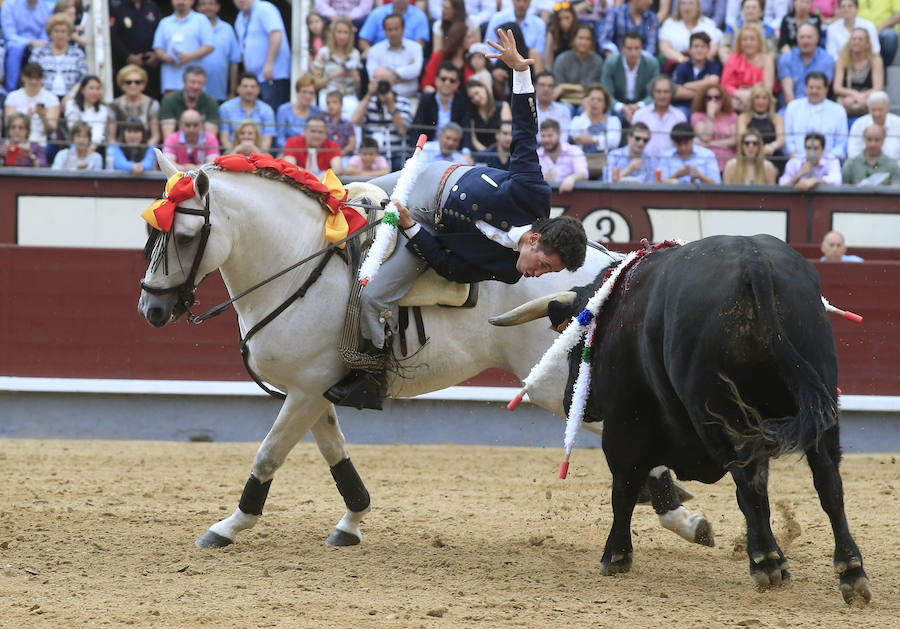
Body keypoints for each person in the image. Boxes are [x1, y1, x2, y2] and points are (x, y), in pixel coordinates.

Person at [324, 28, 588, 411]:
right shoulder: (532, 192)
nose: (537, 275)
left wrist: (411, 226)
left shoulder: (509, 269)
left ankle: (369, 376)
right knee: (346, 193)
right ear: (534, 240)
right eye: (544, 265)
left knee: (373, 296)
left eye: (548, 273)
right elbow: (525, 133)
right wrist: (520, 73)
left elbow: (448, 265)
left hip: (426, 228)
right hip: (430, 179)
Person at [351, 67, 413, 171]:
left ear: (392, 82)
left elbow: (402, 130)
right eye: (377, 82)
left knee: (403, 166)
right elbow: (355, 120)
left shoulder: (403, 103)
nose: (381, 86)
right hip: (371, 156)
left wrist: (391, 105)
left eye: (384, 82)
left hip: (396, 153)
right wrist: (369, 94)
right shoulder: (368, 102)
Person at [234, 0, 292, 111]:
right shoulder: (239, 18)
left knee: (271, 112)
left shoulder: (265, 9)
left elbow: (276, 34)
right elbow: (244, 48)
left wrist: (269, 64)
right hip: (254, 79)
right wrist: (248, 74)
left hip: (272, 76)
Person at [152, 0, 215, 96]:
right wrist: (167, 58)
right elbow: (157, 48)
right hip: (171, 81)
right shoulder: (164, 22)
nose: (180, 1)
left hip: (195, 82)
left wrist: (189, 57)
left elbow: (209, 46)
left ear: (192, 1)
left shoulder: (201, 20)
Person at [784, 72, 848, 159]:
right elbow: (787, 139)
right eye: (811, 87)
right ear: (806, 88)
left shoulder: (838, 110)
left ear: (826, 89)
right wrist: (796, 157)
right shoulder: (793, 107)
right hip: (797, 160)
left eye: (818, 88)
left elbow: (842, 143)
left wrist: (826, 159)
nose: (814, 91)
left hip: (829, 161)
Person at [601, 30, 660, 124]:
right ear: (622, 49)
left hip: (643, 107)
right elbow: (606, 93)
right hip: (617, 106)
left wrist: (639, 106)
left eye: (637, 48)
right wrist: (622, 108)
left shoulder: (652, 64)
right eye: (629, 48)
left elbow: (654, 94)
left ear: (642, 48)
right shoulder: (610, 63)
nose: (633, 53)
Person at [30, 14, 88, 106]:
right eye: (56, 31)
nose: (60, 35)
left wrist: (71, 95)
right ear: (50, 33)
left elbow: (84, 77)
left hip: (72, 99)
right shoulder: (39, 52)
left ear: (69, 34)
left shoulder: (77, 53)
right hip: (43, 97)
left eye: (63, 31)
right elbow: (32, 73)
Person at [109, 0, 162, 99]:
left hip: (151, 64)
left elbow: (160, 32)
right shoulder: (118, 9)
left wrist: (156, 54)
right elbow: (113, 37)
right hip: (126, 64)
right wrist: (128, 56)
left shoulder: (152, 7)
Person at [365, 14, 425, 100]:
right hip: (382, 98)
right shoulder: (375, 50)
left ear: (403, 29)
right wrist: (405, 73)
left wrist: (386, 74)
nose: (393, 33)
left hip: (410, 98)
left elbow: (416, 70)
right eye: (389, 30)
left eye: (396, 29)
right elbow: (373, 77)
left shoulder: (415, 47)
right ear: (384, 31)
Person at [409, 63, 470, 145]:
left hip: (453, 150)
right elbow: (417, 128)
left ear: (457, 84)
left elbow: (466, 129)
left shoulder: (463, 102)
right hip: (428, 148)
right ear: (436, 80)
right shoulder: (426, 100)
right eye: (443, 79)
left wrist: (466, 151)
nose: (447, 83)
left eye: (452, 80)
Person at [569, 83, 621, 179]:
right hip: (580, 165)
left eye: (599, 100)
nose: (595, 102)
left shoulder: (613, 120)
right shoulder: (578, 119)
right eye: (592, 99)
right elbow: (575, 136)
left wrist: (593, 139)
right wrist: (586, 112)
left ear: (605, 104)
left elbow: (613, 142)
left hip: (604, 166)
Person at [311, 17, 361, 113]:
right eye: (339, 32)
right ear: (333, 34)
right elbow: (316, 82)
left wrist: (356, 79)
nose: (342, 36)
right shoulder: (324, 52)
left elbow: (357, 89)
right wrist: (333, 75)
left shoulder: (355, 54)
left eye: (345, 32)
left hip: (348, 96)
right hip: (328, 95)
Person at [777, 23, 834, 107]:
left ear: (817, 39)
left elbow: (822, 90)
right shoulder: (786, 58)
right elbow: (787, 91)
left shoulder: (827, 59)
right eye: (802, 37)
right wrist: (797, 112)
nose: (805, 41)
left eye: (809, 37)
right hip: (791, 108)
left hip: (818, 106)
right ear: (797, 39)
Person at [1, 0, 52, 93]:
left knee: (42, 50)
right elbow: (8, 34)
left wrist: (39, 43)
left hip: (39, 44)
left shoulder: (48, 7)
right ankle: (11, 90)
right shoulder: (9, 4)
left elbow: (47, 33)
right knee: (15, 48)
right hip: (15, 43)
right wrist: (29, 42)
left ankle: (41, 88)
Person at [721, 24, 775, 111]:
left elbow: (768, 88)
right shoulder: (733, 58)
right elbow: (725, 85)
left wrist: (752, 95)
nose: (748, 43)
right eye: (745, 39)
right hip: (737, 98)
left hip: (760, 99)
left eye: (752, 39)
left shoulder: (767, 60)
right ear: (740, 43)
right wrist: (740, 94)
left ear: (759, 42)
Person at [4, 63, 60, 146]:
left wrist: (43, 117)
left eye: (37, 78)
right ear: (23, 77)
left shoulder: (52, 98)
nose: (34, 81)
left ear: (42, 79)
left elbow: (51, 129)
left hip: (42, 140)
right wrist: (26, 118)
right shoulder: (12, 97)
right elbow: (8, 123)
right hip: (17, 139)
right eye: (30, 78)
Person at [196, 0, 241, 103]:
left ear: (218, 7)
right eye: (203, 4)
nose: (207, 7)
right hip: (193, 91)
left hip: (219, 93)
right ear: (197, 8)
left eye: (211, 4)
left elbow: (234, 62)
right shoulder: (191, 28)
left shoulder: (227, 29)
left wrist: (232, 92)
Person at [217, 72, 275, 152]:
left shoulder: (267, 110)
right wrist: (234, 153)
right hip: (233, 155)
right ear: (238, 88)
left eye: (252, 86)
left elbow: (267, 142)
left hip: (258, 156)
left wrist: (258, 154)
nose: (249, 90)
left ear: (258, 89)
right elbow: (224, 138)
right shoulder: (225, 108)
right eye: (245, 86)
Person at [631, 75, 687, 159]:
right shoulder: (640, 115)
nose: (662, 96)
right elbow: (633, 142)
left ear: (672, 93)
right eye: (658, 91)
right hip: (643, 164)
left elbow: (683, 143)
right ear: (652, 93)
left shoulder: (679, 116)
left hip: (671, 165)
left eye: (666, 92)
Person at [833, 28, 884, 117]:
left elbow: (878, 87)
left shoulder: (875, 60)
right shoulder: (842, 59)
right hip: (847, 98)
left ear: (867, 44)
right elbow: (837, 88)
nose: (856, 42)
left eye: (860, 39)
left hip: (867, 96)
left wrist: (862, 97)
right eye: (854, 39)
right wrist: (854, 95)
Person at [658, 0, 723, 68]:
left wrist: (701, 61)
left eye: (691, 3)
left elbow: (713, 46)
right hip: (678, 64)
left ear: (698, 7)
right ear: (678, 7)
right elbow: (664, 47)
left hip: (704, 65)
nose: (687, 8)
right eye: (683, 4)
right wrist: (682, 59)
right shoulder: (669, 23)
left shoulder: (707, 23)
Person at [672, 32, 723, 117]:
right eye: (696, 46)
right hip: (686, 106)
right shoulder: (682, 67)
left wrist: (686, 85)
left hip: (707, 107)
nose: (699, 50)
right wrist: (705, 84)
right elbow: (677, 92)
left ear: (708, 49)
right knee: (680, 114)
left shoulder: (714, 66)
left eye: (703, 46)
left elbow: (714, 81)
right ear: (690, 49)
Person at [159, 65, 219, 138]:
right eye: (192, 82)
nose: (196, 86)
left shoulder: (211, 102)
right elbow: (168, 137)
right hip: (176, 146)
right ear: (184, 82)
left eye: (200, 83)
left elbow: (211, 138)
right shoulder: (169, 100)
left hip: (202, 146)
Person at [551, 25, 604, 104]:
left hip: (590, 103)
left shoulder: (597, 61)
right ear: (573, 39)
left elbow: (591, 90)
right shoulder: (562, 59)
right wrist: (577, 90)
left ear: (592, 42)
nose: (584, 42)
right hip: (563, 102)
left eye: (588, 39)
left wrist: (564, 88)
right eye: (580, 38)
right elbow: (556, 88)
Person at [690, 83, 737, 172]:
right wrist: (710, 115)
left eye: (717, 97)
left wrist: (709, 144)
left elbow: (735, 141)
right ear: (703, 100)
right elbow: (706, 137)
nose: (713, 100)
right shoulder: (697, 116)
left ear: (723, 99)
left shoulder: (732, 116)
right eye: (709, 98)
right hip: (706, 163)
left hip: (729, 163)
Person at [484, 0, 547, 65]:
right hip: (499, 66)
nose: (521, 4)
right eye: (518, 0)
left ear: (530, 1)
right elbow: (489, 49)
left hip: (528, 67)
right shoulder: (497, 18)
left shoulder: (539, 24)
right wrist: (496, 68)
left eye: (525, 1)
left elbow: (539, 54)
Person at [111, 64, 161, 146]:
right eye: (128, 82)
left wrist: (146, 152)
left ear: (143, 84)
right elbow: (111, 138)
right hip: (120, 150)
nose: (133, 85)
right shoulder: (114, 105)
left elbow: (155, 136)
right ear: (122, 84)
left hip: (146, 149)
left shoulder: (152, 104)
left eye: (137, 82)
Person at [735, 83, 785, 164]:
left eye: (764, 98)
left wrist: (771, 147)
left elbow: (781, 139)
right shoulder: (744, 117)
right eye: (757, 98)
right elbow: (740, 139)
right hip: (749, 156)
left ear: (769, 100)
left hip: (771, 156)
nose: (761, 101)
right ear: (752, 100)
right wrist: (756, 150)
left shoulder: (777, 118)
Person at [421, 21, 475, 93]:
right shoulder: (438, 56)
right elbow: (426, 84)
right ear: (459, 39)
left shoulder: (470, 59)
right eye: (469, 37)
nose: (473, 40)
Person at [358, 0, 430, 54]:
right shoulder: (377, 13)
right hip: (379, 57)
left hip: (407, 58)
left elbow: (420, 45)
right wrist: (371, 53)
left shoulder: (420, 15)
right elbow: (363, 41)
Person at [65, 75, 116, 150]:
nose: (95, 92)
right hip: (75, 143)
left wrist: (92, 148)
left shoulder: (102, 109)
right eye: (91, 88)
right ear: (82, 90)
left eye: (98, 88)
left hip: (94, 146)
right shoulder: (71, 105)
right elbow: (73, 128)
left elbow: (98, 130)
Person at [537, 118, 588, 192]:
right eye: (543, 136)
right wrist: (542, 179)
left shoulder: (573, 151)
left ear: (559, 134)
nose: (546, 140)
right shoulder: (536, 155)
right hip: (543, 196)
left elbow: (583, 173)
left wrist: (572, 178)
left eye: (550, 136)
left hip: (571, 196)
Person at [596, 0, 660, 57]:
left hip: (642, 63)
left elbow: (651, 46)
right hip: (616, 59)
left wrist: (636, 60)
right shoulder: (615, 13)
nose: (651, 2)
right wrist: (612, 56)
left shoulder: (652, 18)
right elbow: (603, 39)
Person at [847, 91, 900, 160]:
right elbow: (853, 152)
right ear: (868, 109)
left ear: (888, 108)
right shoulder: (859, 124)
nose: (877, 114)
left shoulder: (898, 123)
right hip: (864, 168)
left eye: (880, 110)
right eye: (873, 110)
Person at [466, 79, 511, 154]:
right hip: (480, 154)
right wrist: (486, 153)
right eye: (471, 98)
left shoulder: (503, 106)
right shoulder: (472, 113)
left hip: (502, 153)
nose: (476, 99)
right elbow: (474, 140)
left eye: (477, 93)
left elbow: (507, 133)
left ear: (484, 87)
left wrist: (490, 153)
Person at [856, 0, 900, 66]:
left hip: (883, 31)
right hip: (859, 30)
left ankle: (882, 67)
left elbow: (898, 15)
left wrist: (878, 30)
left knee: (889, 36)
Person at [534, 71, 572, 140]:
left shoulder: (563, 110)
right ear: (535, 86)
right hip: (534, 148)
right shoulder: (528, 109)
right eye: (542, 85)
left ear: (554, 88)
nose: (546, 89)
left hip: (557, 149)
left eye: (550, 86)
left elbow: (564, 136)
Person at [544, 3, 579, 69]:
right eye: (560, 19)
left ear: (573, 17)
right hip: (557, 70)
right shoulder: (552, 33)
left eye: (567, 18)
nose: (563, 22)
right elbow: (548, 62)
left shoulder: (579, 31)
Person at [323, 90, 356, 157]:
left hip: (343, 156)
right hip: (325, 156)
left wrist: (340, 154)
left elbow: (352, 144)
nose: (331, 106)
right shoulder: (323, 122)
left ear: (341, 104)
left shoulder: (347, 124)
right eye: (328, 103)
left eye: (334, 102)